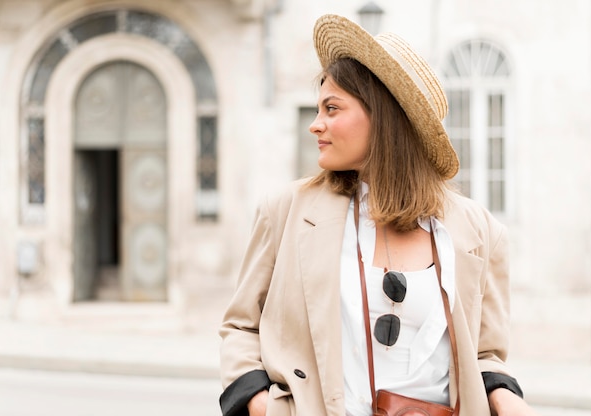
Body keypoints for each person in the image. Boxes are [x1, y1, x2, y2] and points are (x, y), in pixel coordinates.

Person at [219, 13, 538, 416]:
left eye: (331, 109)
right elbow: (240, 327)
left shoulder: (478, 231)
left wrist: (508, 401)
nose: (315, 125)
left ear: (382, 115)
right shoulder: (286, 212)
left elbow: (486, 355)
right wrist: (261, 404)